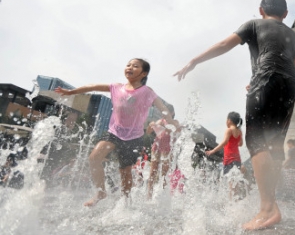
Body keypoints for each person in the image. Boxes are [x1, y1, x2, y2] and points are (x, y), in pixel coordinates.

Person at [174, 0, 295, 230]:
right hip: (290, 84)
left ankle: (268, 209)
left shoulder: (254, 24)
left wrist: (194, 61)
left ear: (261, 10)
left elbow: (224, 45)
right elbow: (290, 65)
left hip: (266, 79)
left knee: (256, 141)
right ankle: (272, 203)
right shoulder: (292, 34)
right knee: (274, 144)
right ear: (285, 14)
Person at [55, 58, 177, 207]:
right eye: (128, 65)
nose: (130, 67)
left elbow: (162, 107)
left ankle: (126, 202)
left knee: (124, 171)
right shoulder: (116, 87)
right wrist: (71, 92)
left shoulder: (146, 91)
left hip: (134, 137)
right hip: (114, 132)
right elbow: (93, 86)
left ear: (143, 73)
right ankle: (101, 192)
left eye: (135, 66)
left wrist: (170, 121)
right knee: (94, 158)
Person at [205, 112, 245, 199]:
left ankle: (231, 203)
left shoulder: (229, 130)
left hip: (229, 159)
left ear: (229, 120)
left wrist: (213, 151)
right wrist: (234, 143)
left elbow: (224, 142)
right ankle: (236, 201)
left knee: (230, 183)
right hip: (237, 159)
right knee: (235, 183)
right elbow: (241, 144)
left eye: (226, 119)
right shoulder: (239, 131)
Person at [146, 105, 178, 199]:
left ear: (172, 113)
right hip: (157, 147)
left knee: (164, 174)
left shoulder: (175, 122)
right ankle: (149, 196)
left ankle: (163, 196)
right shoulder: (160, 121)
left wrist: (163, 124)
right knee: (152, 172)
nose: (164, 114)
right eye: (164, 112)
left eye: (167, 112)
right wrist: (150, 125)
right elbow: (148, 132)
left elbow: (174, 129)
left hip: (167, 150)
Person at [276, 139, 295, 203]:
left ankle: (287, 197)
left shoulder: (291, 150)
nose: (288, 146)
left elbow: (289, 158)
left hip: (291, 166)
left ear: (290, 143)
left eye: (288, 144)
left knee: (288, 181)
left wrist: (283, 165)